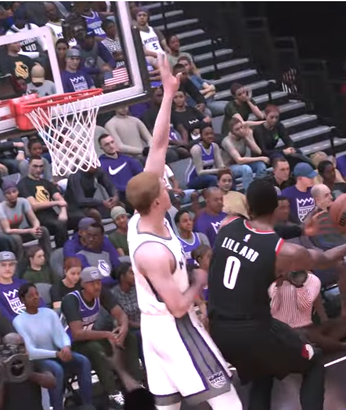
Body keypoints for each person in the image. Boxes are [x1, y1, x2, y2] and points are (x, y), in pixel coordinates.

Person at [124, 53, 242, 409]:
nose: (167, 185)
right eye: (163, 186)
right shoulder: (152, 252)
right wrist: (199, 279)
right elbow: (177, 307)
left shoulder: (141, 214)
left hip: (156, 329)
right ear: (157, 200)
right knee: (228, 402)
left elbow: (159, 144)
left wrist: (168, 91)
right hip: (173, 325)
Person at [208, 179, 346, 410]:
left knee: (261, 374)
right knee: (313, 361)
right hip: (253, 330)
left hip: (219, 330)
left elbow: (257, 231)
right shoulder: (285, 252)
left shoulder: (227, 226)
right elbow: (326, 258)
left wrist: (300, 229)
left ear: (248, 206)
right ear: (276, 208)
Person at [61, 267, 140, 408]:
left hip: (89, 337)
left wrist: (123, 328)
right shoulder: (71, 300)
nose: (97, 286)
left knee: (130, 337)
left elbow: (121, 315)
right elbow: (77, 334)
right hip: (69, 344)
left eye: (98, 282)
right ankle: (113, 393)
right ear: (83, 284)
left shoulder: (100, 292)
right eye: (92, 283)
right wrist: (108, 335)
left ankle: (136, 383)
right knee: (96, 349)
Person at [13, 283, 94, 410]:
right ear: (23, 300)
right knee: (57, 369)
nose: (35, 297)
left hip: (58, 353)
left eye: (37, 294)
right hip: (38, 360)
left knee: (83, 361)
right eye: (31, 296)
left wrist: (66, 347)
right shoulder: (19, 321)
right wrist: (56, 354)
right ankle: (57, 407)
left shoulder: (49, 313)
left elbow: (61, 335)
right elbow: (31, 351)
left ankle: (87, 404)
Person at [0, 333, 56, 410]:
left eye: (22, 345)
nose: (21, 350)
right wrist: (4, 379)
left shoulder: (33, 362)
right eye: (16, 347)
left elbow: (52, 383)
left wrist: (28, 373)